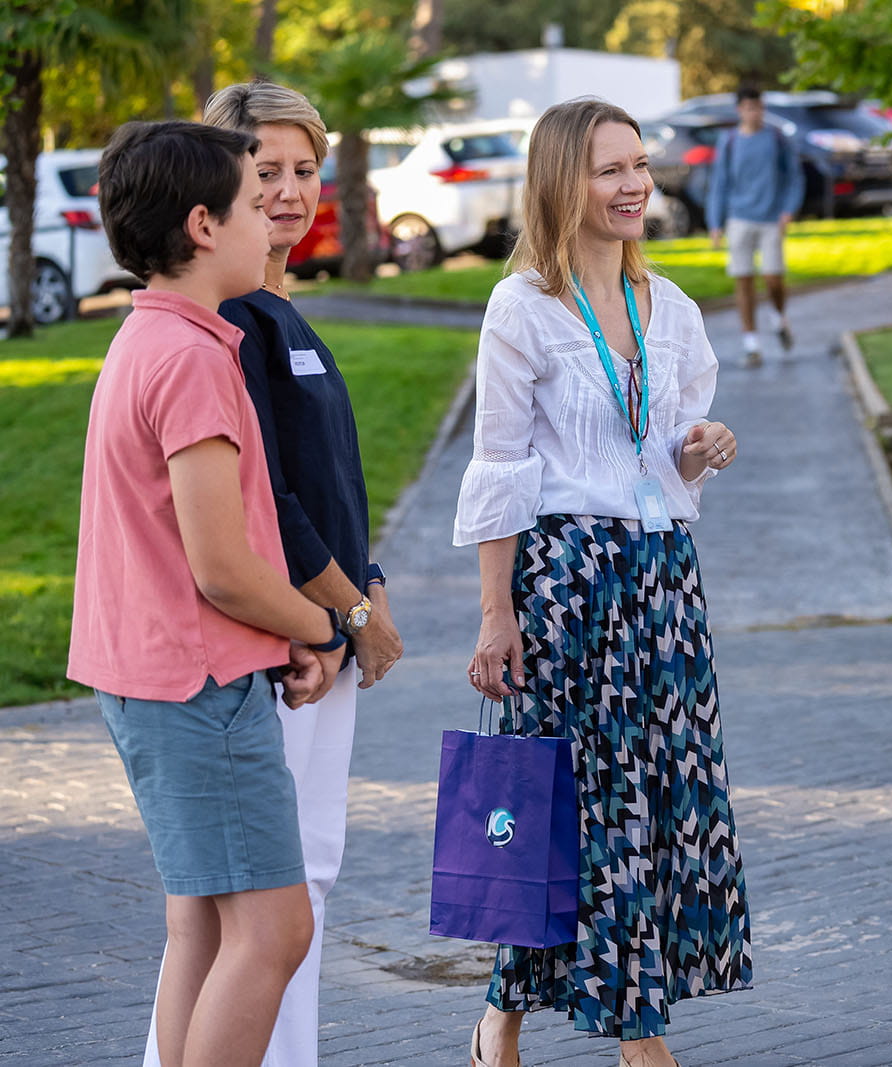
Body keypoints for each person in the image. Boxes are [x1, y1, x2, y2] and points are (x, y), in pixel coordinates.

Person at [454, 97, 753, 1067]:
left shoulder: (674, 309)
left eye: (638, 164)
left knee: (657, 801)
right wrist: (496, 615)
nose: (632, 184)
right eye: (607, 168)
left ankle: (504, 1010)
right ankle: (640, 1036)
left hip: (662, 579)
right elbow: (500, 466)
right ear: (559, 183)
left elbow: (663, 452)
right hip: (567, 580)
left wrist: (705, 448)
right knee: (574, 802)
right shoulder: (522, 307)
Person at [132, 81, 408, 1067]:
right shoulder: (228, 321)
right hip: (280, 643)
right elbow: (264, 504)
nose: (286, 192)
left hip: (313, 625)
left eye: (302, 169)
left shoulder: (274, 305)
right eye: (263, 174)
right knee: (264, 905)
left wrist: (363, 578)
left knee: (275, 895)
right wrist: (339, 615)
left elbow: (320, 481)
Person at [67, 119, 350, 1067]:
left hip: (162, 678)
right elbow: (219, 565)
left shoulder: (152, 337)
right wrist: (326, 622)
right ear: (201, 225)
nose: (266, 216)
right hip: (196, 688)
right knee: (273, 932)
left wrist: (289, 634)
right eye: (245, 201)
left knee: (204, 927)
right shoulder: (192, 358)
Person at [705, 86, 804, 365]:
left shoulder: (776, 138)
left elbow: (794, 177)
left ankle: (778, 317)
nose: (755, 113)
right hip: (739, 218)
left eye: (759, 107)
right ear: (740, 110)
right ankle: (751, 344)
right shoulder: (730, 141)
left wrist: (788, 210)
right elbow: (720, 182)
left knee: (773, 279)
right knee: (744, 279)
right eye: (750, 108)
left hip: (771, 218)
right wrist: (715, 222)